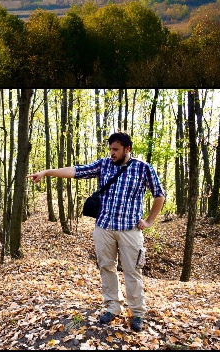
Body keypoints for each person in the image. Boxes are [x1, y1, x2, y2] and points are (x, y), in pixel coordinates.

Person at [29, 132, 165, 332]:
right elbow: (76, 171)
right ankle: (113, 306)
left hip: (130, 230)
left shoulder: (143, 168)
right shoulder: (104, 165)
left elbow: (159, 195)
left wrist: (149, 221)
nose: (112, 153)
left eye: (116, 149)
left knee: (132, 272)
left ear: (127, 149)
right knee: (106, 268)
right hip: (104, 228)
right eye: (110, 149)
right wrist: (47, 172)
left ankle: (137, 312)